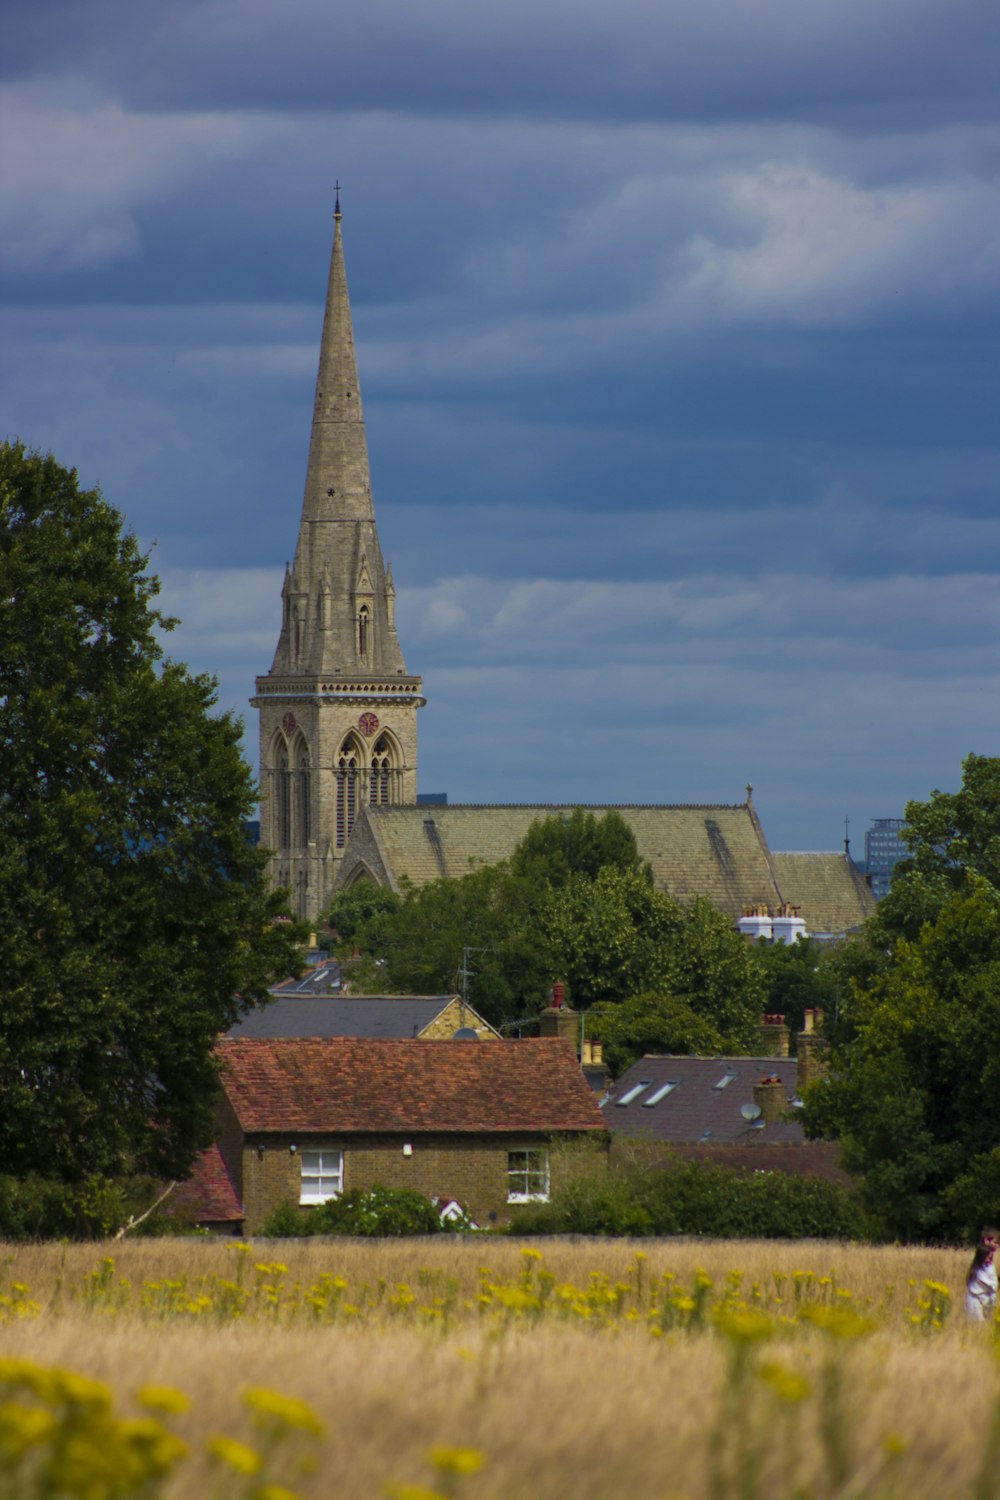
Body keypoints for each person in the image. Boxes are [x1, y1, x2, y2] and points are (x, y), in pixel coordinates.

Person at [965, 1227, 1000, 1321]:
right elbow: (984, 1280)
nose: (997, 1246)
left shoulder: (990, 1258)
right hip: (976, 1297)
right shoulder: (979, 1258)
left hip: (987, 1299)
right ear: (986, 1240)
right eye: (995, 1242)